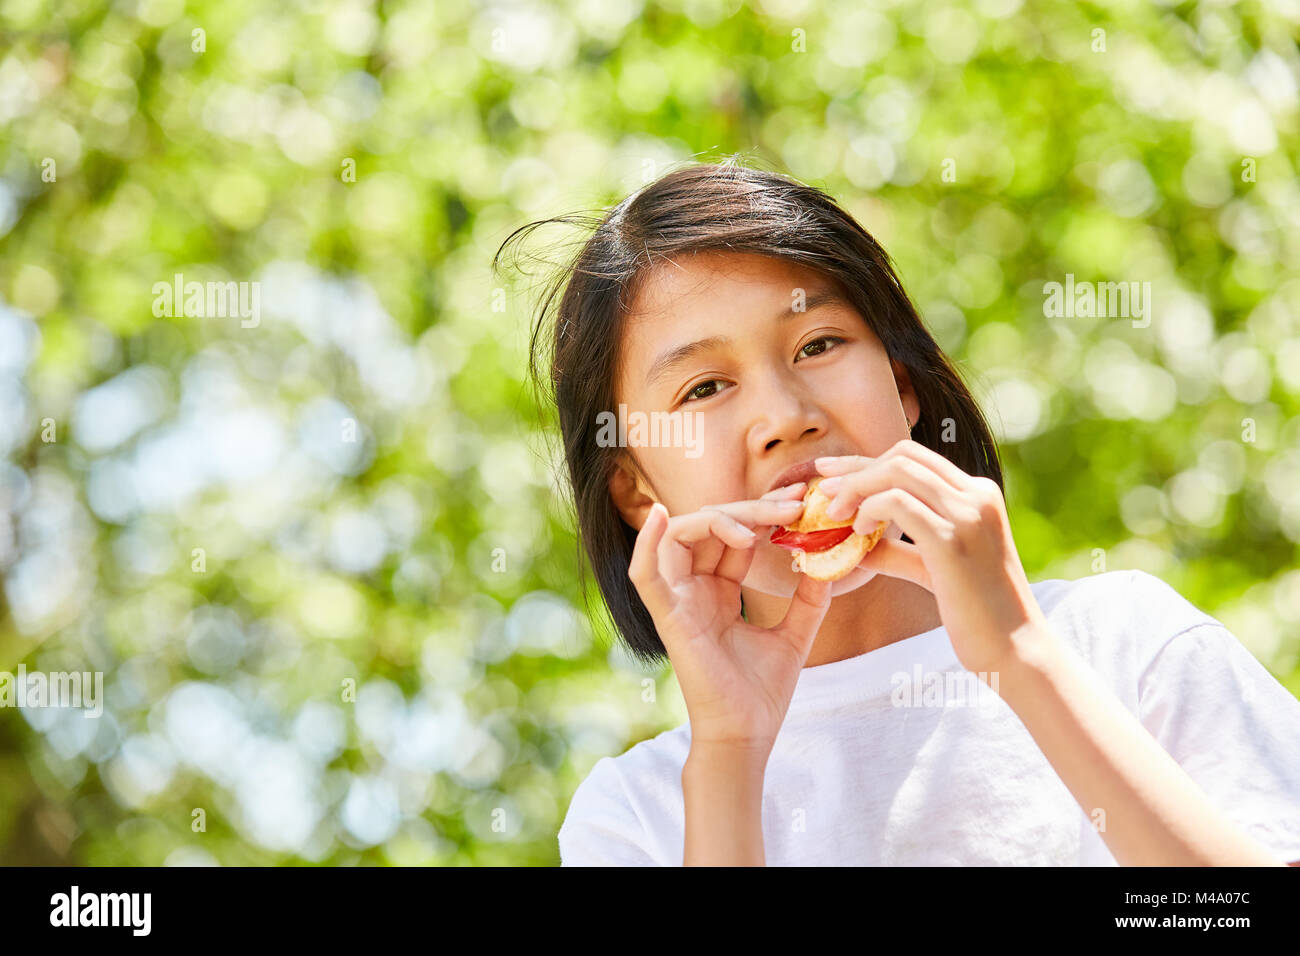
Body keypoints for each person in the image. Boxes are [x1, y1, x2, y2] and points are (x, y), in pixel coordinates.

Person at [494, 158, 1300, 866]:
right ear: (636, 489)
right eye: (704, 387)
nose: (786, 415)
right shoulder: (636, 817)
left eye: (818, 345)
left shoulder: (1126, 643)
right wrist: (732, 755)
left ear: (903, 386)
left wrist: (1020, 657)